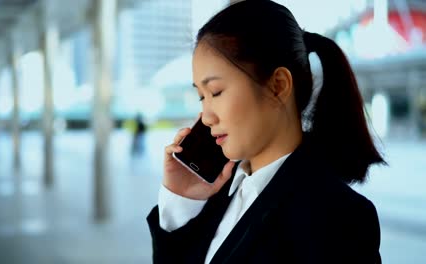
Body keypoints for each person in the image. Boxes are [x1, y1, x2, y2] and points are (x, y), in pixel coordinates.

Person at [147, 0, 385, 263]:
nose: (207, 116)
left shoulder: (338, 218)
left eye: (216, 91)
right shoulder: (215, 196)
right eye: (202, 96)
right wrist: (181, 201)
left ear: (278, 85)